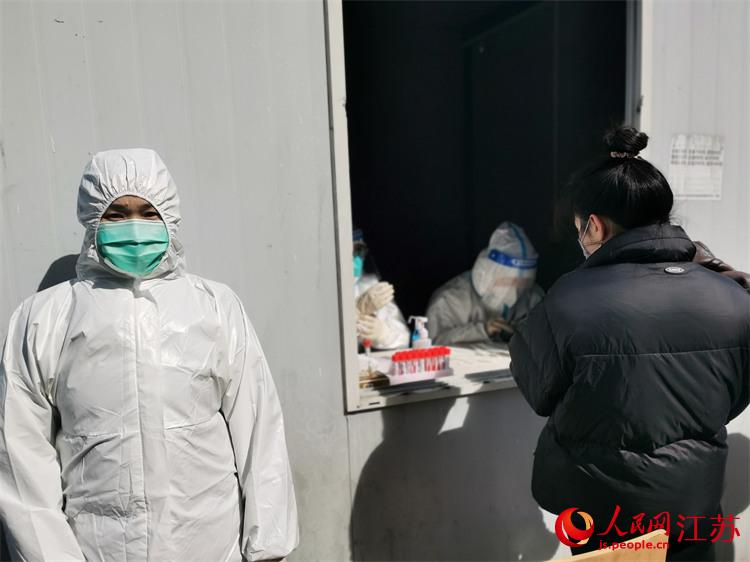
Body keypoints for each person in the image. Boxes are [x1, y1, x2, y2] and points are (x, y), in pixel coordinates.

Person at [0, 149, 298, 561]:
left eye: (147, 212)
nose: (134, 227)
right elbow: (21, 457)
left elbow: (260, 431)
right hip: (99, 549)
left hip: (212, 545)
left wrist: (268, 548)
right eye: (117, 214)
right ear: (92, 220)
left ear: (168, 217)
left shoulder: (215, 307)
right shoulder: (44, 318)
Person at [509, 126, 749, 561]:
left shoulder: (569, 300)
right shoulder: (730, 297)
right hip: (693, 504)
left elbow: (538, 390)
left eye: (579, 227)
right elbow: (734, 395)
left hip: (605, 513)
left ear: (594, 225)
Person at [426, 222, 544, 346]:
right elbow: (432, 345)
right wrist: (481, 330)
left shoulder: (532, 298)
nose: (514, 295)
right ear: (485, 275)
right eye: (505, 283)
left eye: (523, 284)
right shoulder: (449, 300)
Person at [353, 229, 410, 350]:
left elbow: (403, 338)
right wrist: (356, 311)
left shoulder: (367, 285)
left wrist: (383, 334)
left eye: (358, 250)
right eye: (347, 252)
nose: (355, 260)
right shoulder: (319, 289)